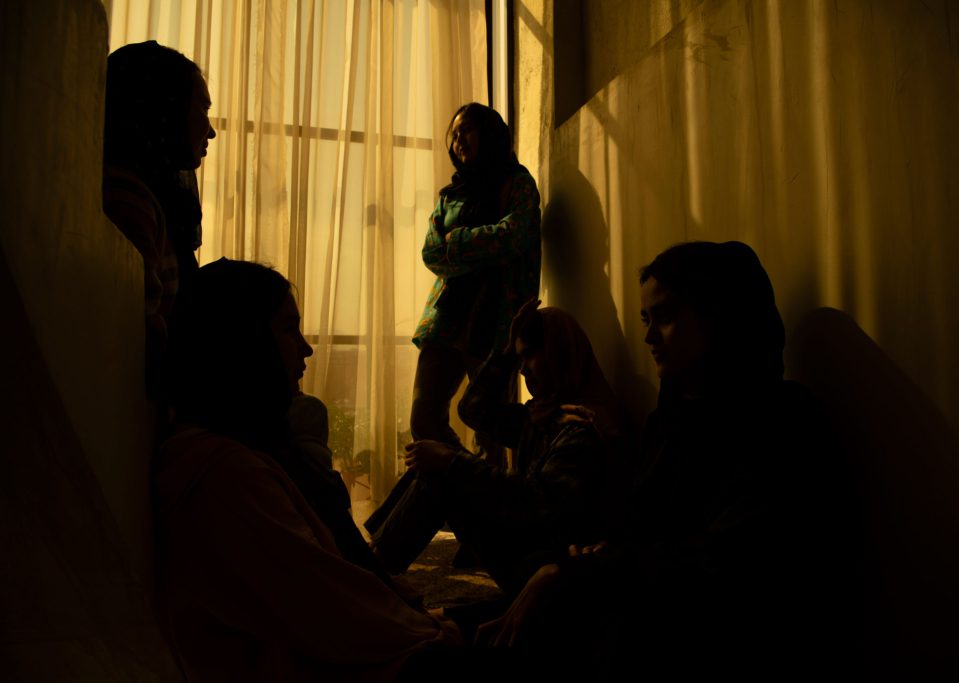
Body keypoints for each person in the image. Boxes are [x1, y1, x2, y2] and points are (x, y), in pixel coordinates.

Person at [477, 242, 861, 681]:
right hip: (637, 599)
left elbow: (721, 572)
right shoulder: (670, 419)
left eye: (664, 317)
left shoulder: (784, 425)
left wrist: (582, 570)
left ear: (719, 316)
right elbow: (639, 529)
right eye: (645, 320)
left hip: (706, 640)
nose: (648, 336)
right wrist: (590, 558)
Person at [156, 258, 460, 682]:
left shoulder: (243, 452)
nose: (307, 348)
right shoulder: (227, 476)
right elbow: (331, 608)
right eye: (288, 329)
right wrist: (430, 628)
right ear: (241, 340)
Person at [366, 302, 620, 596]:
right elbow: (473, 409)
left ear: (559, 354)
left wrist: (452, 460)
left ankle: (374, 571)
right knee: (434, 466)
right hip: (526, 544)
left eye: (530, 356)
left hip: (545, 568)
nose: (523, 370)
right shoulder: (544, 415)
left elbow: (535, 502)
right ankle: (373, 558)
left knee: (442, 474)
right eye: (520, 359)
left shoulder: (584, 426)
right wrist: (507, 352)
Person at [410, 103, 541, 466]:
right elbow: (431, 253)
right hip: (448, 318)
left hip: (496, 318)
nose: (458, 141)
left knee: (489, 430)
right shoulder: (450, 197)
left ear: (490, 133)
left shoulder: (518, 183)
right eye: (453, 135)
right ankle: (467, 486)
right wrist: (474, 247)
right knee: (424, 419)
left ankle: (486, 510)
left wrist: (457, 242)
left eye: (466, 130)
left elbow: (513, 236)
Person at [103, 40, 215, 387]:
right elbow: (146, 341)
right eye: (202, 109)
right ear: (164, 108)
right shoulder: (128, 200)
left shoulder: (147, 198)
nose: (210, 130)